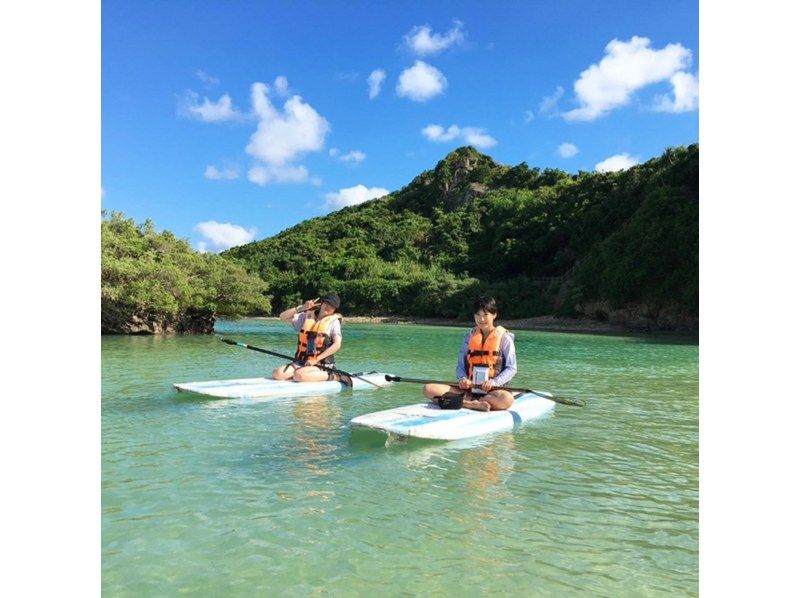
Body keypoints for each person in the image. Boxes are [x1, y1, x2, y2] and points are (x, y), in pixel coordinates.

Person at [423, 296, 518, 412]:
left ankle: (471, 401)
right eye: (478, 315)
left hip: (493, 392)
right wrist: (462, 379)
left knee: (506, 399)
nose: (481, 319)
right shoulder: (468, 338)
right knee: (428, 389)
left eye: (485, 315)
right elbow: (460, 366)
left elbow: (511, 368)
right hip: (468, 390)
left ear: (494, 315)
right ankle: (470, 404)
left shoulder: (505, 339)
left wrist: (494, 382)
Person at [272, 293, 343, 382]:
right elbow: (282, 317)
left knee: (299, 375)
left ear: (334, 310)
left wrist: (316, 359)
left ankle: (334, 376)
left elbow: (337, 344)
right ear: (322, 303)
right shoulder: (306, 316)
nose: (328, 307)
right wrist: (301, 308)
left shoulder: (334, 322)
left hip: (321, 364)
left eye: (332, 306)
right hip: (302, 362)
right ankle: (304, 373)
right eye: (327, 303)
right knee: (277, 374)